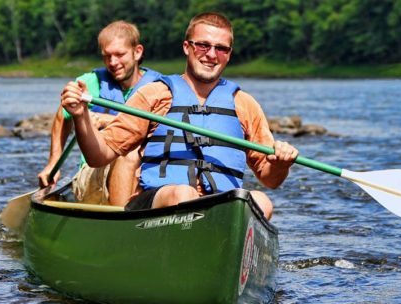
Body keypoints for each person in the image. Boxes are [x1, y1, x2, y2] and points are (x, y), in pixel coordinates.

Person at [60, 12, 299, 219]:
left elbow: (271, 180)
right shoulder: (154, 95)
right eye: (203, 45)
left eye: (221, 48)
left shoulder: (244, 104)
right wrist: (81, 117)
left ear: (229, 54)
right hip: (157, 205)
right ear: (187, 47)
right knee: (184, 193)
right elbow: (98, 156)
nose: (211, 54)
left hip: (220, 209)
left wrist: (282, 164)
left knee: (261, 201)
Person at [37, 20, 161, 206]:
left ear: (137, 52)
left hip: (145, 171)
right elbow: (63, 116)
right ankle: (121, 223)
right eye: (107, 56)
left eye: (119, 55)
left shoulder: (159, 87)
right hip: (94, 171)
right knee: (128, 153)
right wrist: (53, 161)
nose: (113, 62)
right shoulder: (90, 83)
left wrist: (107, 120)